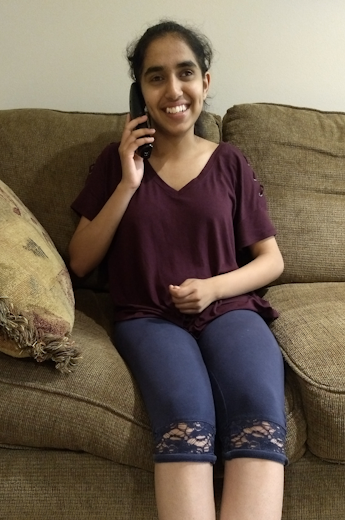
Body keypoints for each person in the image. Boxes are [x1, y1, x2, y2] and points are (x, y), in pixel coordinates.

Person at [68, 21, 286, 520]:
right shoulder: (114, 162)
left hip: (229, 308)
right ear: (138, 91)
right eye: (155, 77)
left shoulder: (231, 162)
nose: (173, 90)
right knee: (187, 410)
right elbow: (80, 261)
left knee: (256, 401)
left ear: (205, 82)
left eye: (185, 73)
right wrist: (128, 182)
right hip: (149, 317)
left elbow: (271, 260)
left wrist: (212, 288)